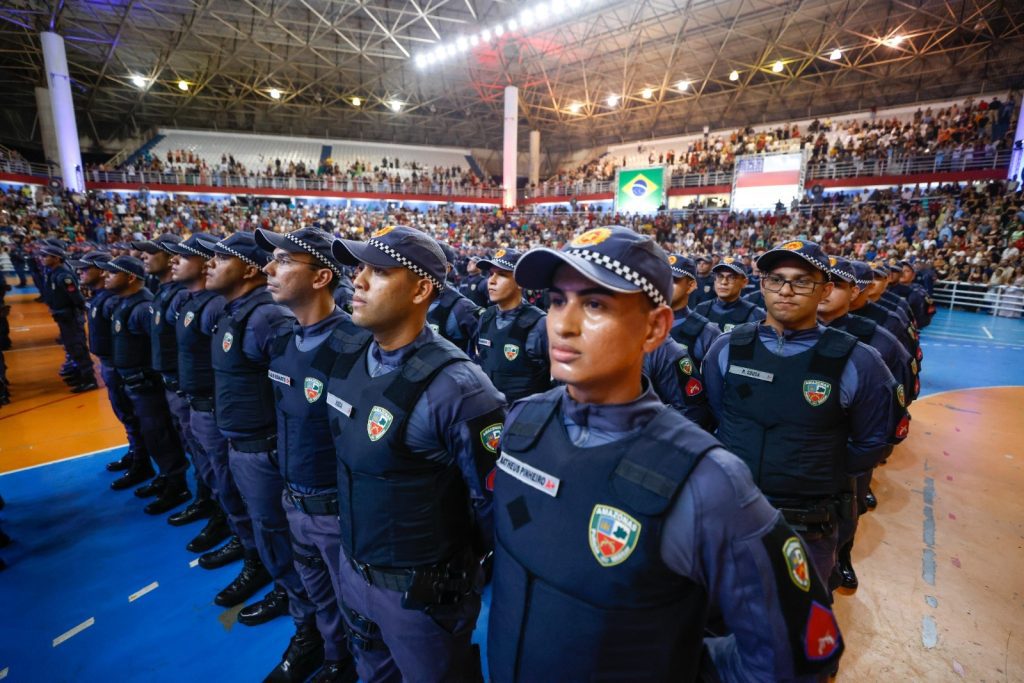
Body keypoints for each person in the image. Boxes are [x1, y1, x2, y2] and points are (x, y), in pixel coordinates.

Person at [489, 226, 843, 681]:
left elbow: (797, 651)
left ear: (655, 327)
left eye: (595, 304)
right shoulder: (522, 423)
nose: (564, 323)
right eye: (558, 300)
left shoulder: (708, 480)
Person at [327, 226, 505, 682]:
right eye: (360, 268)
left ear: (421, 289)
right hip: (355, 570)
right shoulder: (350, 356)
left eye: (379, 271)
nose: (359, 281)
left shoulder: (460, 389)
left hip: (420, 597)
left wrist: (462, 575)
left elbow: (493, 507)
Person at [702, 240, 901, 588]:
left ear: (824, 290)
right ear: (762, 285)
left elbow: (873, 442)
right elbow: (720, 415)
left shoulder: (858, 361)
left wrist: (814, 469)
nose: (786, 290)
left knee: (795, 633)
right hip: (729, 518)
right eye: (776, 279)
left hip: (806, 531)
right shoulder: (727, 348)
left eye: (802, 281)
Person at [258, 226, 362, 683]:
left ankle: (355, 666)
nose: (267, 269)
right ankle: (333, 658)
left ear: (321, 278)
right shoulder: (283, 340)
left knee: (354, 606)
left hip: (338, 511)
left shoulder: (356, 346)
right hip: (294, 499)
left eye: (283, 261)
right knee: (318, 595)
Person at [203, 232, 306, 634]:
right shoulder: (234, 309)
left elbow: (291, 391)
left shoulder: (267, 317)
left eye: (221, 258)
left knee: (276, 530)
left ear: (247, 268)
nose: (210, 263)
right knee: (261, 526)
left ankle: (297, 601)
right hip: (241, 441)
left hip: (264, 447)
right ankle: (279, 581)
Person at [817, 256, 912, 590]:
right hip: (800, 446)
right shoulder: (787, 331)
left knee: (846, 508)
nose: (826, 292)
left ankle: (842, 557)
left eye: (837, 285)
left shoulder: (878, 337)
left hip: (847, 447)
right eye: (821, 282)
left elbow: (899, 393)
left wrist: (859, 455)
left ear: (853, 290)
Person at [98, 255, 192, 513]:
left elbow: (159, 345)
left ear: (129, 277)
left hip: (147, 384)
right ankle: (165, 475)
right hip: (134, 382)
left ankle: (177, 483)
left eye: (111, 273)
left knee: (161, 434)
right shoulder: (141, 300)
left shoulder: (142, 306)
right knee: (152, 433)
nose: (105, 276)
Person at [133, 233, 206, 515]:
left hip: (186, 387)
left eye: (153, 252)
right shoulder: (165, 292)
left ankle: (206, 501)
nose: (144, 258)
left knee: (201, 451)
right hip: (173, 383)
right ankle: (198, 494)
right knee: (187, 443)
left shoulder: (184, 297)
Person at [162, 235, 226, 532]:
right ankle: (210, 505)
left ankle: (227, 522)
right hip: (191, 398)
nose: (173, 260)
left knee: (221, 472)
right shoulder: (188, 299)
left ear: (204, 263)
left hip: (211, 405)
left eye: (183, 256)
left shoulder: (214, 306)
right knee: (204, 464)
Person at [69, 251, 148, 475]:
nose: (81, 273)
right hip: (110, 364)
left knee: (132, 414)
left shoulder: (112, 300)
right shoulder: (102, 297)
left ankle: (141, 460)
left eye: (86, 269)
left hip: (119, 365)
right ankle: (136, 452)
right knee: (124, 413)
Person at [474, 248, 551, 403]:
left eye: (501, 275)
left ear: (520, 282)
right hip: (490, 414)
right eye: (491, 274)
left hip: (526, 418)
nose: (492, 280)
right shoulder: (487, 316)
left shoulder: (539, 324)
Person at [40, 244, 97, 391]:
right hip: (62, 316)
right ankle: (79, 374)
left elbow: (75, 297)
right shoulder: (53, 272)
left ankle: (88, 378)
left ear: (57, 258)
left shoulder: (63, 275)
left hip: (70, 316)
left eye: (46, 256)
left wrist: (76, 311)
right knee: (71, 347)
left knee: (78, 347)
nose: (42, 258)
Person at [665, 253, 722, 366]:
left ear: (690, 286)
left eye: (673, 280)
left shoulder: (707, 333)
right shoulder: (640, 322)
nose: (664, 284)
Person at [427, 242, 483, 353]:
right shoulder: (411, 297)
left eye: (429, 259)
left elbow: (487, 348)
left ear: (447, 268)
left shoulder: (461, 307)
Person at [694, 257, 766, 332]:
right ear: (714, 280)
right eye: (720, 276)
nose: (724, 282)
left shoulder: (756, 315)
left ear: (744, 282)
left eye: (731, 277)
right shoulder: (700, 310)